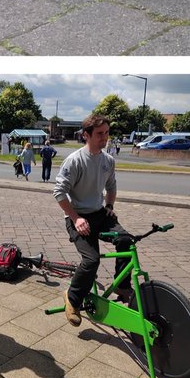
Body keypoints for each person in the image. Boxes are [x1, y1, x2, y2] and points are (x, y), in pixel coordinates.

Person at [53, 112, 133, 327]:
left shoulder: (108, 160)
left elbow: (112, 186)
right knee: (92, 260)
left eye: (107, 133)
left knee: (126, 239)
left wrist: (109, 206)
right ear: (86, 135)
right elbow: (59, 193)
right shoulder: (75, 160)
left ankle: (122, 286)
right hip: (77, 216)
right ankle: (72, 299)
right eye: (99, 134)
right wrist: (76, 218)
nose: (104, 138)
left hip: (99, 213)